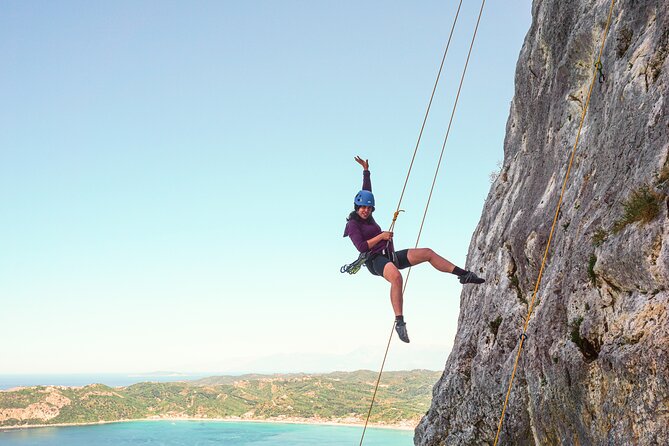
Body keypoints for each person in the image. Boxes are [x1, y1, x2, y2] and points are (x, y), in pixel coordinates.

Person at [343, 156, 485, 343]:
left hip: (388, 254)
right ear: (357, 207)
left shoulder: (367, 215)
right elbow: (361, 246)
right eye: (362, 208)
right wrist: (381, 236)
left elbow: (367, 191)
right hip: (374, 260)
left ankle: (464, 275)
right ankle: (400, 322)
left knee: (427, 253)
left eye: (368, 208)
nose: (365, 211)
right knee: (396, 277)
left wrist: (366, 171)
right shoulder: (353, 225)